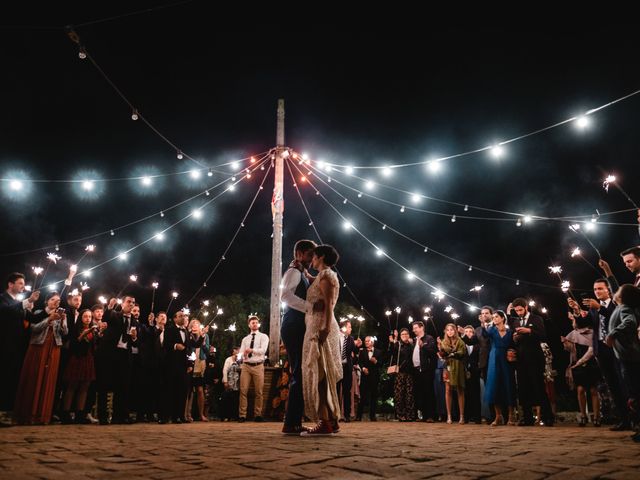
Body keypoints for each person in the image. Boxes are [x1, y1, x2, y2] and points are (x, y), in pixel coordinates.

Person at [280, 239, 324, 434]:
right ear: (299, 253)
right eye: (310, 254)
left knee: (300, 371)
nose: (312, 258)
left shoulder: (301, 271)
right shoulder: (293, 272)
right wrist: (311, 308)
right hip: (293, 324)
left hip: (298, 324)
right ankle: (291, 423)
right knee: (298, 371)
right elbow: (286, 296)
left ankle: (294, 421)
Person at [301, 244, 343, 435]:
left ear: (322, 257)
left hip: (321, 326)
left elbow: (328, 304)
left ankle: (324, 421)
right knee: (322, 371)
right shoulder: (322, 276)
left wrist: (325, 328)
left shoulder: (326, 276)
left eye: (314, 256)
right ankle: (332, 420)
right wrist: (308, 276)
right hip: (316, 324)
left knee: (320, 373)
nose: (312, 259)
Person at [14, 291, 67, 425]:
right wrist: (49, 319)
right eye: (54, 299)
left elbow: (65, 333)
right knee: (35, 378)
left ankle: (43, 415)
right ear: (47, 301)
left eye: (58, 300)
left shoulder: (60, 314)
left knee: (49, 380)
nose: (56, 302)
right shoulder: (38, 313)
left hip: (54, 348)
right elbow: (34, 329)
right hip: (38, 347)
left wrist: (62, 321)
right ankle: (28, 414)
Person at [0, 272, 39, 425]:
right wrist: (26, 302)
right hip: (4, 345)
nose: (23, 286)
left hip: (18, 346)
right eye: (20, 283)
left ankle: (8, 411)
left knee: (13, 378)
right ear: (11, 284)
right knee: (3, 377)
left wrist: (49, 312)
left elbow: (32, 319)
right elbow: (5, 311)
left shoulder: (20, 302)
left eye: (24, 284)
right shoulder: (3, 299)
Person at [509, 297, 551, 426]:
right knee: (523, 388)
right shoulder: (515, 322)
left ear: (526, 307)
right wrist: (515, 338)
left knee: (538, 386)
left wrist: (529, 331)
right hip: (521, 359)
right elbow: (513, 340)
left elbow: (543, 335)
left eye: (521, 310)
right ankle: (527, 417)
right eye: (516, 311)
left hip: (535, 357)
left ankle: (547, 417)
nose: (519, 313)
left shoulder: (536, 319)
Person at [605, 284, 640, 442]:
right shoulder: (620, 307)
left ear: (623, 296)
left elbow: (630, 322)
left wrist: (613, 334)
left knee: (635, 393)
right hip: (624, 356)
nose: (615, 292)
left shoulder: (625, 308)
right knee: (633, 391)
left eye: (618, 291)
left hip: (630, 357)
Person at [562, 314, 601, 427]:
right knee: (580, 389)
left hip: (591, 363)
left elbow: (591, 351)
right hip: (577, 365)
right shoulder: (573, 333)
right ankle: (583, 416)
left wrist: (580, 362)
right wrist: (566, 344)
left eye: (575, 320)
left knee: (594, 390)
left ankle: (597, 417)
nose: (573, 322)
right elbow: (571, 350)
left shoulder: (592, 332)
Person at [61, 309, 97, 423]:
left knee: (84, 387)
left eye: (90, 317)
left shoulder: (92, 330)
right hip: (77, 358)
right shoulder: (76, 329)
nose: (88, 319)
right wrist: (83, 335)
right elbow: (74, 345)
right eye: (85, 316)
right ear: (81, 317)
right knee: (72, 386)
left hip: (88, 359)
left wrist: (98, 335)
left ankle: (80, 414)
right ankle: (65, 414)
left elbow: (93, 347)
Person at [482, 310, 517, 426]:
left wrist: (512, 352)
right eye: (493, 317)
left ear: (503, 318)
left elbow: (513, 345)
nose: (494, 319)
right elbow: (485, 335)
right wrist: (483, 324)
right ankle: (498, 416)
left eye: (496, 317)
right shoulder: (491, 330)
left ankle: (511, 416)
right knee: (494, 386)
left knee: (508, 385)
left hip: (507, 361)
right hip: (494, 360)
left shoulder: (510, 332)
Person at [238, 315, 269, 422]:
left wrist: (251, 350)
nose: (254, 324)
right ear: (249, 325)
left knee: (259, 391)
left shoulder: (264, 336)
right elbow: (241, 352)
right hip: (246, 366)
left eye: (256, 322)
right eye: (252, 323)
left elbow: (263, 350)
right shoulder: (245, 339)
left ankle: (258, 414)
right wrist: (243, 355)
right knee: (243, 391)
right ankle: (242, 415)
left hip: (258, 365)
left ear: (258, 324)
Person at [438, 323, 467, 424]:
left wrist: (453, 354)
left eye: (452, 330)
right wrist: (442, 353)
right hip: (447, 367)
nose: (450, 332)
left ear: (455, 331)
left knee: (460, 390)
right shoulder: (443, 342)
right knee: (448, 390)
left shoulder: (460, 342)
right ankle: (449, 416)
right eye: (448, 330)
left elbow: (462, 353)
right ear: (445, 331)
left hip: (459, 367)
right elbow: (442, 354)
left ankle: (462, 416)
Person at [411, 320, 438, 422]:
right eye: (413, 329)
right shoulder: (413, 340)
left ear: (422, 327)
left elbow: (433, 352)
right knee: (419, 393)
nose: (414, 330)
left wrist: (423, 346)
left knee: (428, 392)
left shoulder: (429, 338)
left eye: (415, 328)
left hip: (427, 370)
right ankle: (422, 415)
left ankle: (431, 416)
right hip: (416, 370)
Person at [389, 328, 415, 421]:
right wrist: (393, 341)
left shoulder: (412, 345)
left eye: (406, 334)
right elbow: (391, 352)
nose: (405, 336)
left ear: (409, 335)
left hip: (410, 372)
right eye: (403, 334)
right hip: (400, 372)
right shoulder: (397, 345)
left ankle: (410, 415)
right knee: (399, 394)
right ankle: (400, 414)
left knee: (409, 394)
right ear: (400, 336)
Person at [356, 336, 382, 421]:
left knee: (374, 397)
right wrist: (363, 368)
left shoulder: (378, 352)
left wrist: (376, 361)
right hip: (365, 377)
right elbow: (359, 362)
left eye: (368, 341)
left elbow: (381, 363)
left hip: (374, 377)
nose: (366, 342)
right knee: (362, 396)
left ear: (372, 342)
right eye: (365, 341)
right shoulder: (362, 351)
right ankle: (358, 416)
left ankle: (372, 416)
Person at [338, 319, 358, 422]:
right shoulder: (335, 336)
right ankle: (335, 415)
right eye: (349, 327)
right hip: (337, 367)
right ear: (344, 328)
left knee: (347, 391)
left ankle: (346, 415)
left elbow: (355, 354)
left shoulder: (351, 339)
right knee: (336, 391)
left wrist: (357, 346)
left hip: (347, 367)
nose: (351, 329)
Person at [221, 347, 241, 421]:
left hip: (237, 383)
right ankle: (226, 416)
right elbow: (225, 370)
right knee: (227, 399)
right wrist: (225, 381)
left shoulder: (240, 360)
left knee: (236, 400)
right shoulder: (228, 360)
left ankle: (235, 416)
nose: (237, 352)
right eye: (236, 350)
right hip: (229, 382)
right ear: (233, 352)